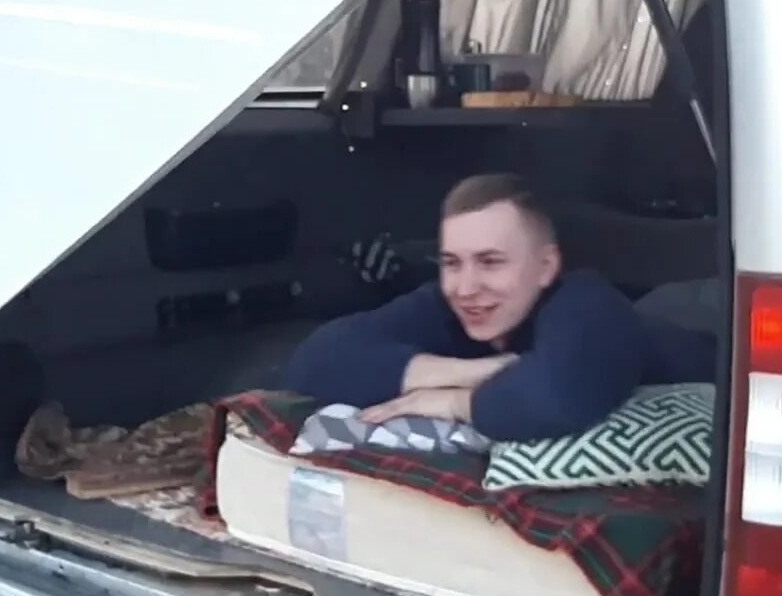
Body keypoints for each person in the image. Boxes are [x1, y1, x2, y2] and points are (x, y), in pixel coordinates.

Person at [281, 173, 716, 443]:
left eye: (491, 262)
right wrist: (482, 370)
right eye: (452, 263)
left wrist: (456, 403)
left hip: (703, 336)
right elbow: (315, 361)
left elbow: (557, 398)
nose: (466, 287)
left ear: (546, 266)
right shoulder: (449, 305)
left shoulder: (586, 304)